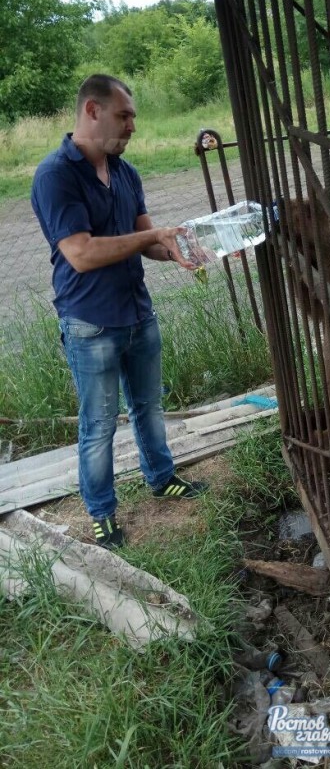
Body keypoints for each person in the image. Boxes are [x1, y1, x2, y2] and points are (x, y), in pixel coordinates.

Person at [31, 74, 208, 549]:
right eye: (124, 115)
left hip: (137, 314)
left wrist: (177, 250)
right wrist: (152, 237)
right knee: (99, 425)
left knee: (149, 407)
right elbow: (82, 254)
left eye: (132, 117)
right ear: (92, 110)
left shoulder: (125, 172)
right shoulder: (56, 175)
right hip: (90, 324)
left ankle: (162, 477)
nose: (132, 126)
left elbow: (148, 240)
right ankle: (102, 513)